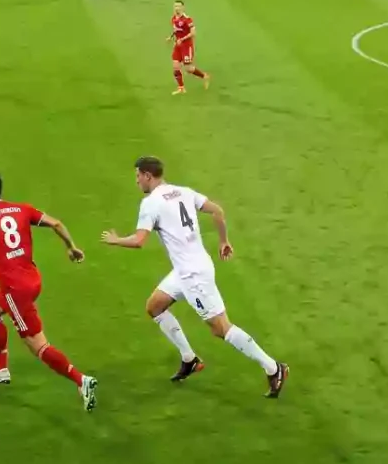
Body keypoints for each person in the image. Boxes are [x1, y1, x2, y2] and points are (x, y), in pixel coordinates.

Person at [100, 156, 285, 396]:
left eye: (138, 176)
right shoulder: (182, 192)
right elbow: (217, 211)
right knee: (155, 306)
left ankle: (273, 368)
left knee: (221, 328)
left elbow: (138, 241)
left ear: (147, 175)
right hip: (188, 268)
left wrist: (116, 241)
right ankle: (190, 359)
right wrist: (223, 241)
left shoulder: (151, 203)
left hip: (193, 275)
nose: (137, 182)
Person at [0, 170, 96, 406]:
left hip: (15, 290)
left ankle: (81, 380)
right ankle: (2, 370)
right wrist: (71, 247)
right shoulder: (21, 209)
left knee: (37, 344)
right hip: (32, 280)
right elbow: (56, 223)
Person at [169, 1, 211, 95]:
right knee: (175, 66)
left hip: (186, 46)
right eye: (175, 6)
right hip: (178, 45)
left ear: (183, 8)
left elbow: (193, 33)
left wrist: (182, 39)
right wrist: (170, 37)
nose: (177, 8)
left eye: (179, 6)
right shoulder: (173, 19)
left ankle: (204, 76)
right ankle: (181, 88)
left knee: (188, 68)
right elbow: (176, 30)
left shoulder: (187, 20)